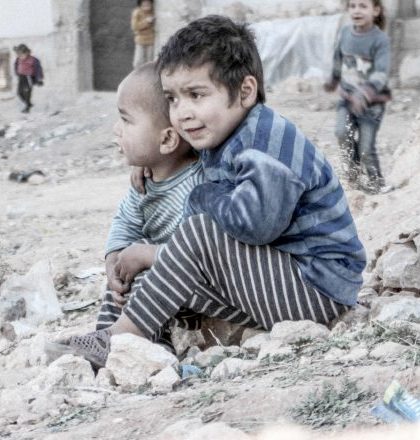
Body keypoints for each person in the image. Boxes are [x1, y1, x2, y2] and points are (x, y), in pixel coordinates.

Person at [65, 15, 367, 369]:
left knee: (193, 234)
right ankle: (111, 343)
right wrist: (148, 162)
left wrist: (199, 201)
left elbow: (256, 226)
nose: (182, 113)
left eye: (196, 95)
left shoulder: (266, 142)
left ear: (245, 91)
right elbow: (186, 163)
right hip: (274, 280)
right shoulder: (225, 135)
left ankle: (121, 340)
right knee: (140, 260)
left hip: (317, 287)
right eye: (172, 99)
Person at [48, 62, 203, 365]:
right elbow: (126, 221)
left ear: (167, 140)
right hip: (160, 284)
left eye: (126, 120)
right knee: (121, 280)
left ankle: (143, 350)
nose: (116, 129)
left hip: (190, 286)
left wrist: (146, 256)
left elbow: (197, 251)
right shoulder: (144, 181)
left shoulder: (198, 183)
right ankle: (104, 341)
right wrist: (113, 257)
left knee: (143, 278)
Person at [324, 0, 392, 194]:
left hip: (372, 104)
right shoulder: (345, 32)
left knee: (365, 149)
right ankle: (353, 177)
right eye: (353, 6)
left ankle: (376, 184)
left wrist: (364, 93)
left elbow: (381, 73)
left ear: (375, 11)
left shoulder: (380, 40)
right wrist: (334, 78)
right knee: (341, 132)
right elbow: (338, 57)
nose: (356, 10)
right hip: (347, 98)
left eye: (363, 6)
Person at [13, 44, 44, 113]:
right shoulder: (18, 59)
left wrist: (39, 79)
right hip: (21, 77)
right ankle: (28, 103)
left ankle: (27, 107)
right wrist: (17, 72)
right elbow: (16, 65)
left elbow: (38, 69)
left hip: (28, 77)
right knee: (19, 93)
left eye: (21, 55)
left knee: (27, 91)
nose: (20, 56)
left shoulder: (33, 60)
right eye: (18, 55)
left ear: (27, 53)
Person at [131, 0, 155, 68]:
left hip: (151, 40)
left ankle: (148, 73)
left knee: (150, 60)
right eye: (144, 3)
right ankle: (138, 73)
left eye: (148, 3)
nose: (146, 5)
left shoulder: (153, 11)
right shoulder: (137, 12)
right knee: (138, 61)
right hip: (140, 40)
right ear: (140, 4)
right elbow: (134, 27)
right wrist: (147, 21)